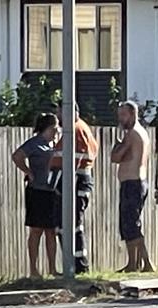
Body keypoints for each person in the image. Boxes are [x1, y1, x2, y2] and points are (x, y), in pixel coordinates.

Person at [49, 103, 99, 274]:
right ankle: (76, 263)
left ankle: (79, 265)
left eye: (60, 112)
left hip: (74, 180)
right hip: (73, 179)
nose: (58, 116)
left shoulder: (76, 130)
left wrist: (65, 180)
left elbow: (76, 158)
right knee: (68, 223)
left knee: (70, 223)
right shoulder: (78, 129)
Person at [12, 113, 62, 278]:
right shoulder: (35, 143)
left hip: (52, 190)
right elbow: (17, 156)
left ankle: (52, 268)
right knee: (36, 230)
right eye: (55, 128)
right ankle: (33, 270)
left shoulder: (55, 144)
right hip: (37, 190)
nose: (57, 131)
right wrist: (28, 171)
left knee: (51, 231)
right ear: (47, 128)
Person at [112, 101, 153, 273]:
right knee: (129, 224)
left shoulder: (132, 134)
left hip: (132, 182)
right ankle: (133, 263)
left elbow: (115, 157)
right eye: (119, 115)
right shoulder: (142, 133)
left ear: (133, 114)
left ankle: (146, 263)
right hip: (138, 181)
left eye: (123, 115)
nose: (120, 119)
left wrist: (117, 145)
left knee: (131, 224)